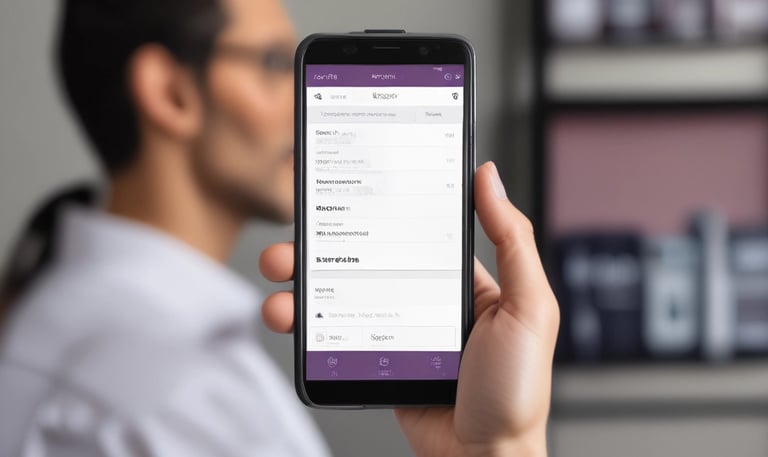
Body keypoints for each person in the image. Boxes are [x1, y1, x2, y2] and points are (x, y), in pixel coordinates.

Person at [0, 1, 560, 456]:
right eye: (272, 63)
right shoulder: (178, 399)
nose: (305, 100)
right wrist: (501, 447)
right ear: (171, 92)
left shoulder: (55, 311)